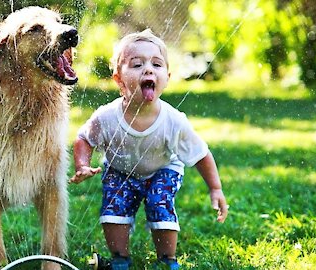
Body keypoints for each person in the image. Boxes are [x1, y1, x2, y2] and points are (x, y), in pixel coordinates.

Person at [69, 29, 228, 270]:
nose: (148, 69)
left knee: (159, 202)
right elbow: (84, 138)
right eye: (136, 64)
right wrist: (81, 165)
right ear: (119, 80)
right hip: (120, 170)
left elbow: (201, 154)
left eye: (156, 64)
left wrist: (215, 188)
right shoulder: (107, 116)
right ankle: (120, 259)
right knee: (113, 209)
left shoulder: (174, 121)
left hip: (163, 169)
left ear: (167, 77)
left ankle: (167, 260)